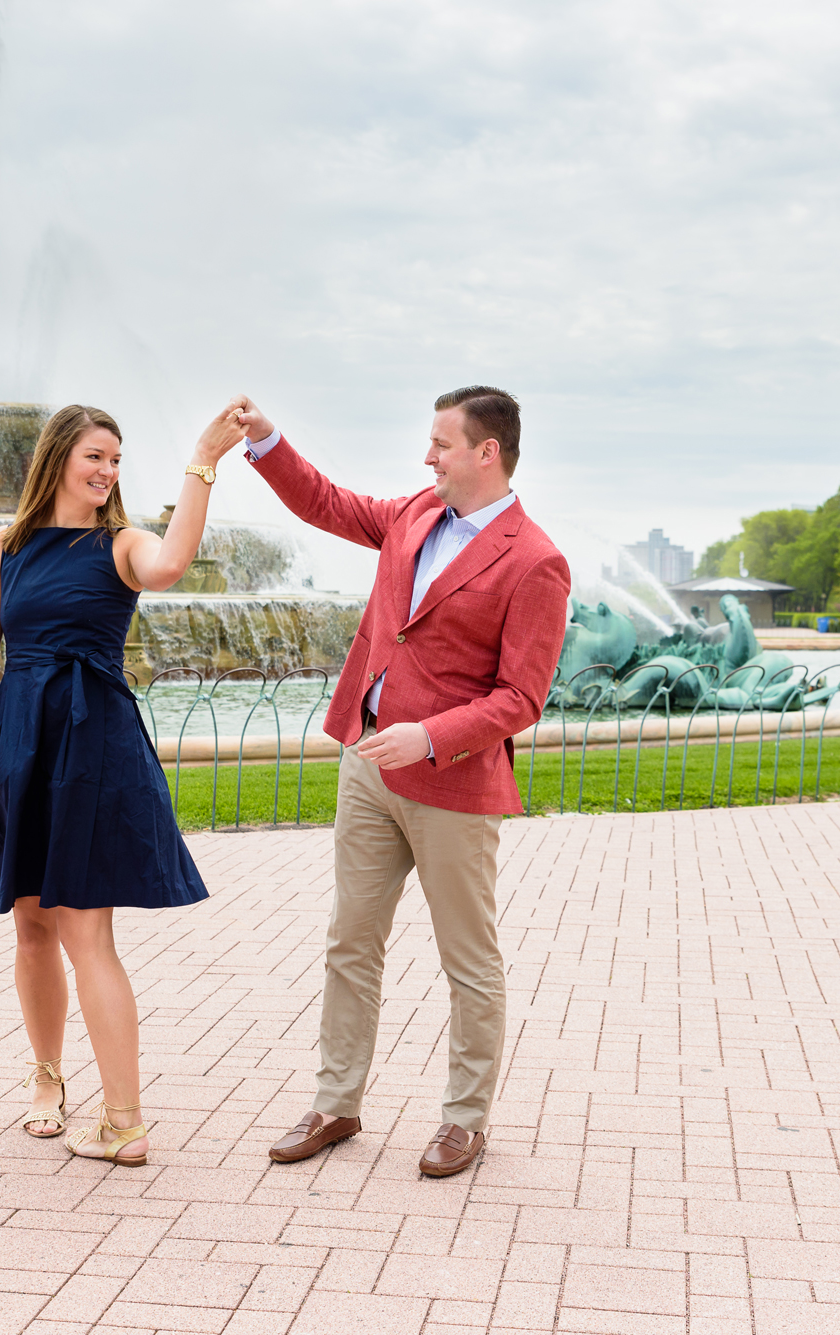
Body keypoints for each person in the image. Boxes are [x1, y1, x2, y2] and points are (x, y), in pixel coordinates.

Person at [233, 387, 570, 1178]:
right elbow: (327, 503)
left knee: (469, 961)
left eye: (442, 444)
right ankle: (335, 1101)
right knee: (350, 940)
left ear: (488, 452)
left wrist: (430, 735)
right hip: (367, 767)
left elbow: (522, 698)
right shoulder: (416, 513)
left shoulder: (536, 561)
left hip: (451, 784)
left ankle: (464, 1120)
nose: (428, 456)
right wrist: (267, 439)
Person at [0, 401, 247, 1167]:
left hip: (90, 740)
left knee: (84, 930)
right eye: (95, 456)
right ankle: (47, 1080)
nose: (106, 472)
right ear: (58, 458)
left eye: (117, 461)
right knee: (31, 925)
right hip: (20, 742)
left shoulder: (123, 543)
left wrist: (202, 460)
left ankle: (125, 1119)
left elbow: (171, 565)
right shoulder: (5, 547)